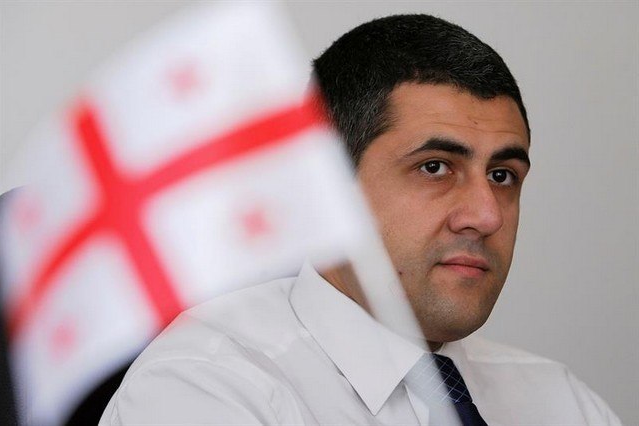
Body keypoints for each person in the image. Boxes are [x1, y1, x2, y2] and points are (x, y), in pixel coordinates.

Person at [100, 14, 620, 425]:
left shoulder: (560, 402)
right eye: (435, 167)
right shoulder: (206, 386)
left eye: (503, 176)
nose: (486, 216)